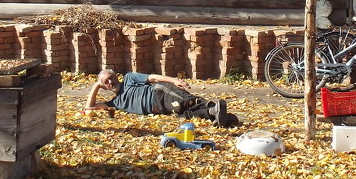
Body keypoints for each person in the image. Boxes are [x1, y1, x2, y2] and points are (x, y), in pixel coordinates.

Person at [84, 69, 239, 127]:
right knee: (185, 112)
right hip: (158, 109)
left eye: (112, 78)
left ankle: (213, 107)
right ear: (104, 86)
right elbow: (89, 108)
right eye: (106, 82)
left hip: (160, 93)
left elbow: (152, 78)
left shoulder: (129, 78)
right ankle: (215, 114)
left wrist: (173, 80)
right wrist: (96, 86)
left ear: (116, 77)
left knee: (186, 101)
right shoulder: (114, 103)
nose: (111, 82)